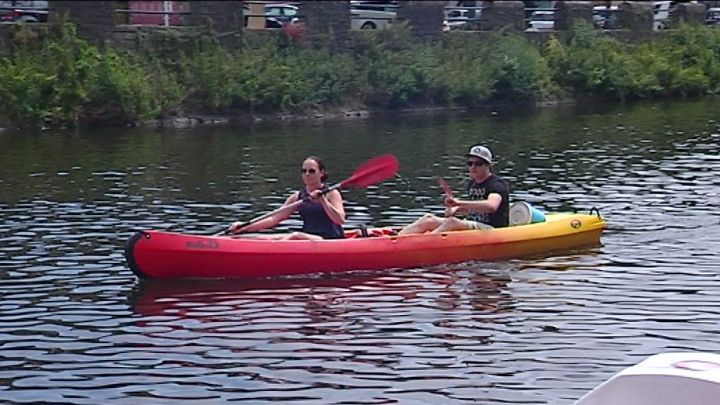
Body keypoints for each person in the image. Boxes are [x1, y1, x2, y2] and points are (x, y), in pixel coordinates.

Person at [398, 145, 510, 235]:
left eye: (478, 164)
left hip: (493, 229)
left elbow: (491, 206)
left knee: (452, 222)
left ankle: (423, 243)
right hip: (474, 224)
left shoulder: (497, 184)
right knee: (429, 219)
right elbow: (476, 210)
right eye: (470, 163)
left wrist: (459, 202)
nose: (473, 167)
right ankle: (397, 239)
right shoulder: (473, 183)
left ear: (488, 166)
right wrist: (457, 209)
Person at [229, 156, 345, 240]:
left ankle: (273, 255)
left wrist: (323, 200)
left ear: (321, 173)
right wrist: (245, 227)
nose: (307, 174)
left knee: (295, 235)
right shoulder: (297, 197)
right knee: (262, 238)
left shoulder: (332, 193)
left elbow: (340, 219)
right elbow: (274, 218)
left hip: (328, 240)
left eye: (312, 171)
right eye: (304, 171)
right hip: (308, 239)